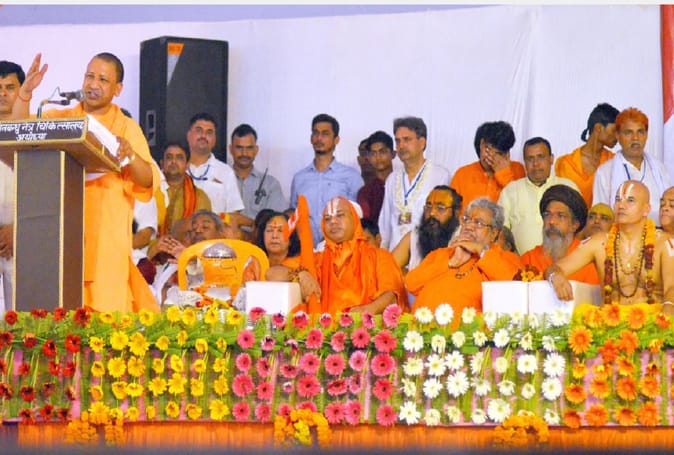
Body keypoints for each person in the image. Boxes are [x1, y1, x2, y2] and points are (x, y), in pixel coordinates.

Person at [14, 53, 160, 313]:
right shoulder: (63, 118)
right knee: (60, 318)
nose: (93, 84)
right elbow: (21, 131)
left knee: (105, 323)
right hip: (61, 236)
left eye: (103, 79)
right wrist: (25, 94)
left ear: (118, 89)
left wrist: (130, 155)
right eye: (89, 76)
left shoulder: (126, 127)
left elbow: (148, 179)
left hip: (106, 245)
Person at [546, 180, 674, 309]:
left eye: (630, 200)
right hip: (609, 319)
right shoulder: (599, 243)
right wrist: (554, 276)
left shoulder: (664, 243)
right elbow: (555, 268)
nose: (621, 205)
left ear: (646, 209)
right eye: (618, 199)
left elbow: (671, 288)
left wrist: (668, 309)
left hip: (653, 319)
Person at [273, 197, 407, 314]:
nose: (333, 222)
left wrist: (368, 310)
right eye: (327, 219)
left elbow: (392, 295)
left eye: (340, 215)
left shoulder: (380, 256)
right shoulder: (318, 259)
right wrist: (300, 274)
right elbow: (272, 273)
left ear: (354, 220)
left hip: (365, 330)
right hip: (324, 333)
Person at [405, 197, 522, 323]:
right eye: (466, 220)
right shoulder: (442, 254)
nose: (469, 226)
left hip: (468, 333)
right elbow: (411, 284)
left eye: (479, 223)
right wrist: (452, 261)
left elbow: (514, 285)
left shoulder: (503, 258)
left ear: (493, 234)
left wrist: (480, 250)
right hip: (422, 330)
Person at [378, 116, 451, 251]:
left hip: (425, 255)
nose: (401, 146)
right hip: (394, 256)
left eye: (406, 140)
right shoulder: (392, 179)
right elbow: (385, 226)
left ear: (422, 142)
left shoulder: (440, 175)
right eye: (398, 141)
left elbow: (445, 222)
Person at [290, 113, 363, 244]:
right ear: (311, 138)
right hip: (306, 250)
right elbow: (293, 217)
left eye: (325, 134)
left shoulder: (351, 177)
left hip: (341, 250)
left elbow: (358, 218)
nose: (319, 138)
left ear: (336, 140)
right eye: (315, 133)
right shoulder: (299, 178)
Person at [498, 137, 579, 254]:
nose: (535, 164)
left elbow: (581, 228)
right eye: (530, 159)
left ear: (551, 159)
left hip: (565, 261)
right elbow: (501, 232)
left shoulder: (568, 187)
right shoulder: (511, 190)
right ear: (524, 162)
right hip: (520, 262)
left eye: (541, 157)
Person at [592, 107, 670, 224]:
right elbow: (601, 216)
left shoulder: (660, 169)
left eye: (640, 132)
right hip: (619, 234)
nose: (635, 138)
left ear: (646, 135)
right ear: (618, 136)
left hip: (658, 232)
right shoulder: (605, 172)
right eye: (628, 132)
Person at [520, 185, 599, 285]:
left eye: (561, 216)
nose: (552, 221)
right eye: (547, 215)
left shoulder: (588, 259)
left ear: (574, 225)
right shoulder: (529, 259)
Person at [450, 120, 525, 214]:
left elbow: (522, 208)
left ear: (506, 154)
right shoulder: (462, 174)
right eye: (488, 149)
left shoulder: (517, 169)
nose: (491, 156)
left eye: (498, 153)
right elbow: (452, 213)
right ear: (481, 145)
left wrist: (503, 174)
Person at [554, 103, 619, 208]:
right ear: (598, 128)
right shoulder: (565, 164)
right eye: (614, 130)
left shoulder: (615, 162)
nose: (618, 136)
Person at [228, 124, 288, 237]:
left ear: (256, 150)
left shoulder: (271, 184)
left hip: (259, 244)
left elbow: (276, 223)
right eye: (239, 148)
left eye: (249, 148)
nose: (244, 153)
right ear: (231, 149)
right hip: (224, 243)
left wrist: (245, 223)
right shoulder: (220, 180)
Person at [185, 112, 245, 220]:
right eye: (199, 130)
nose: (203, 136)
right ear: (188, 135)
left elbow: (234, 212)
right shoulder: (176, 169)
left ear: (214, 139)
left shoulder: (226, 172)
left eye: (209, 132)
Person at [0, 61, 25, 312]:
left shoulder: (35, 132)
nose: (2, 94)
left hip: (23, 239)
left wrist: (18, 227)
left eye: (9, 87)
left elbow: (43, 191)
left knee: (20, 320)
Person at [392, 185, 462, 272]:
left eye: (440, 208)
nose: (432, 213)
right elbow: (389, 267)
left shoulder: (462, 238)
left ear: (456, 213)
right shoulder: (415, 236)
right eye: (428, 207)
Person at [155, 142, 212, 237]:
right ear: (162, 163)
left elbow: (205, 232)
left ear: (187, 164)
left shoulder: (200, 197)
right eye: (169, 157)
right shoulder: (150, 192)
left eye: (179, 158)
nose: (173, 161)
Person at [357, 131, 395, 223]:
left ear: (393, 154)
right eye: (373, 153)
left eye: (382, 152)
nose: (378, 157)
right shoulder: (365, 192)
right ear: (369, 157)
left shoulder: (403, 184)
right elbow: (366, 224)